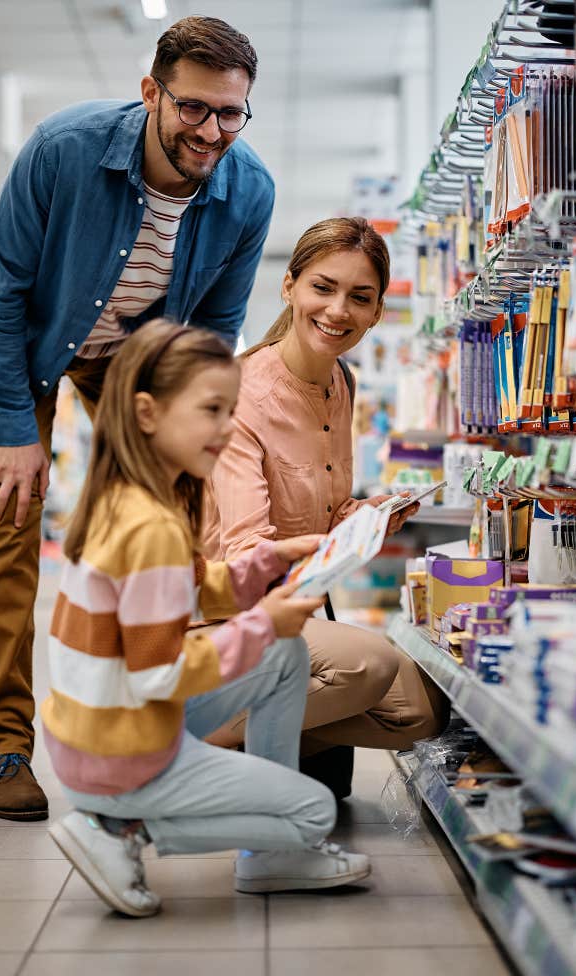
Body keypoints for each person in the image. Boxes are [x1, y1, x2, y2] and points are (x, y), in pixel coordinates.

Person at [0, 16, 275, 821]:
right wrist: (19, 434)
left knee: (170, 513)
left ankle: (160, 712)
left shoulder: (249, 192)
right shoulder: (64, 150)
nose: (211, 132)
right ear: (151, 94)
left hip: (136, 360)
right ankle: (4, 747)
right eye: (194, 109)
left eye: (230, 113)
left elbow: (213, 333)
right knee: (8, 518)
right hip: (22, 344)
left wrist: (197, 432)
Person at [44, 320, 370, 917]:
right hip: (121, 750)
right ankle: (123, 830)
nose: (227, 429)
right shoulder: (152, 528)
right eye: (213, 411)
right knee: (314, 810)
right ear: (147, 413)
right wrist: (263, 621)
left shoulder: (133, 499)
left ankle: (259, 852)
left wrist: (264, 564)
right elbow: (158, 674)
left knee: (284, 657)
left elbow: (189, 594)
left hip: (94, 729)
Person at [203, 218, 450, 794]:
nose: (338, 310)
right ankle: (176, 739)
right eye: (323, 287)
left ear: (377, 312)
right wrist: (339, 540)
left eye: (359, 297)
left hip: (287, 610)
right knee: (368, 664)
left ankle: (256, 752)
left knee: (421, 710)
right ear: (289, 287)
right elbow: (245, 555)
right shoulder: (238, 396)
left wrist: (369, 516)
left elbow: (325, 512)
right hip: (216, 616)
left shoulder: (342, 382)